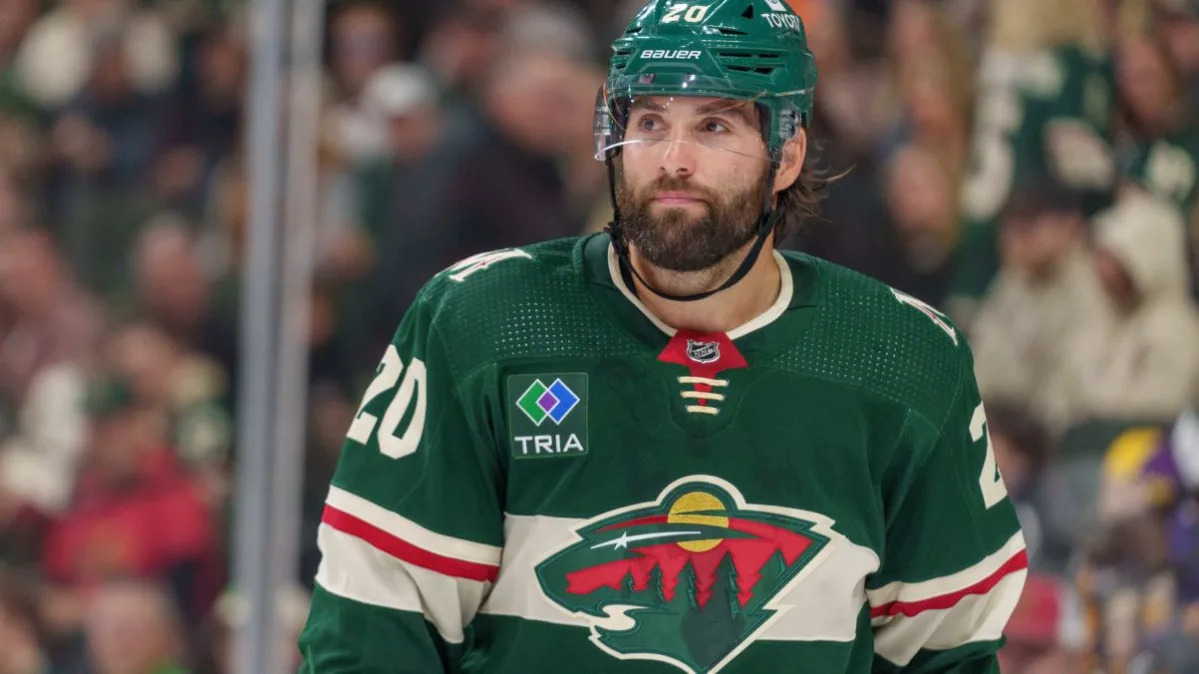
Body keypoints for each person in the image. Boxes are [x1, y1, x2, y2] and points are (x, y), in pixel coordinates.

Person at [298, 1, 1027, 671]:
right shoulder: (480, 322)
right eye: (649, 122)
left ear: (786, 156)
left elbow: (949, 656)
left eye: (714, 126)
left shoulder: (905, 357)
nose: (673, 158)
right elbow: (372, 631)